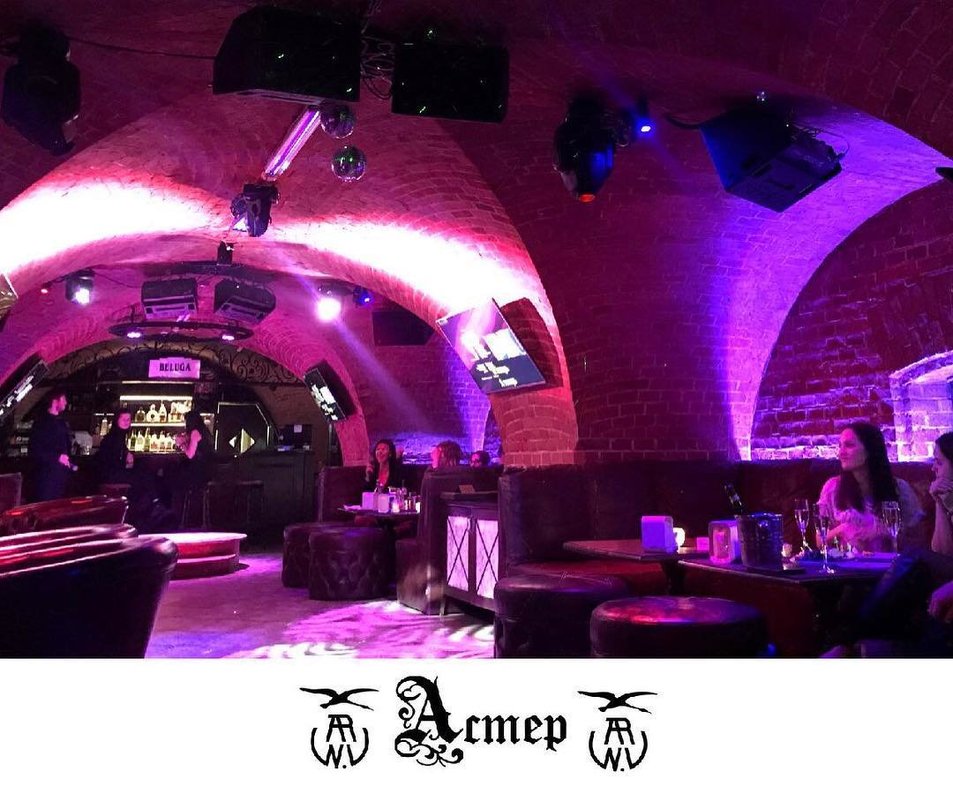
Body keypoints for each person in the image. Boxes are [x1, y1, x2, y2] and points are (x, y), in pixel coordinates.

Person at [816, 422, 923, 553]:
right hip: (849, 564)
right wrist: (843, 529)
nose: (841, 453)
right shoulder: (832, 488)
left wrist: (883, 534)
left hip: (890, 564)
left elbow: (918, 540)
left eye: (849, 445)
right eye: (840, 446)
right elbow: (819, 541)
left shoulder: (900, 489)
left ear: (869, 450)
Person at [26, 389, 74, 502]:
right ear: (55, 401)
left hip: (60, 476)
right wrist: (57, 457)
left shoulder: (61, 422)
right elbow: (35, 449)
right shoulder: (41, 423)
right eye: (63, 399)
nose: (66, 402)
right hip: (46, 477)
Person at [92, 409, 134, 486]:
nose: (126, 422)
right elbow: (111, 461)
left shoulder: (120, 436)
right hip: (110, 477)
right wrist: (126, 458)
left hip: (112, 475)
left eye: (128, 419)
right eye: (123, 419)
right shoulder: (112, 438)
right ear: (117, 420)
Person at [929, 432, 953, 556]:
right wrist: (938, 502)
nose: (933, 468)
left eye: (939, 462)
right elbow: (940, 552)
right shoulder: (948, 497)